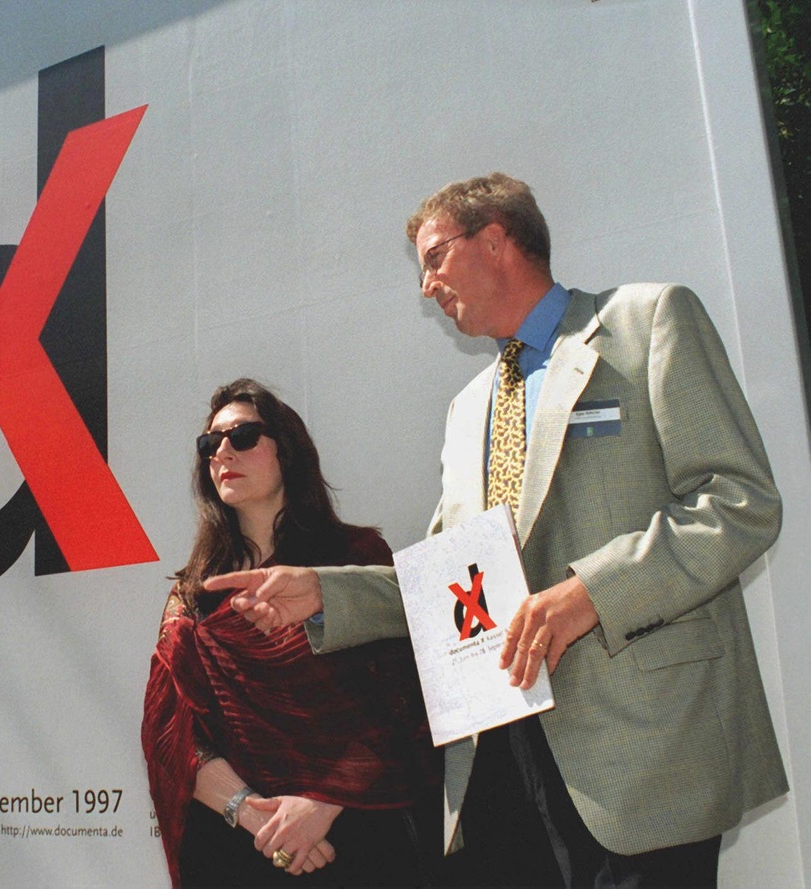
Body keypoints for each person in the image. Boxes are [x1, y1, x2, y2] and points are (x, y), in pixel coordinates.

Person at [210, 174, 787, 888]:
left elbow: (741, 502)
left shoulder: (648, 321)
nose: (426, 287)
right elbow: (452, 582)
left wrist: (591, 593)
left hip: (642, 750)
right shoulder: (466, 409)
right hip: (501, 759)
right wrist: (324, 592)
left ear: (496, 238)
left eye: (434, 258)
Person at [142, 378, 440, 888]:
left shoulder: (356, 562)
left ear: (289, 450)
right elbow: (171, 734)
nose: (222, 453)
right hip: (239, 846)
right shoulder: (193, 595)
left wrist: (321, 805)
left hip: (357, 834)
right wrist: (257, 816)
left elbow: (406, 700)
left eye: (243, 436)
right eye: (210, 443)